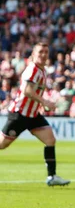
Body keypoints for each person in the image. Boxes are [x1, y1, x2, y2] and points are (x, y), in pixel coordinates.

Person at [0, 42, 70, 187]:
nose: (43, 55)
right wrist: (44, 102)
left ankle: (52, 177)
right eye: (40, 52)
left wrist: (39, 105)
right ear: (33, 54)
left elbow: (33, 92)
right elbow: (27, 91)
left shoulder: (42, 70)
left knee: (50, 139)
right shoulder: (32, 69)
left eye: (46, 52)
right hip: (20, 114)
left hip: (32, 114)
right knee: (2, 145)